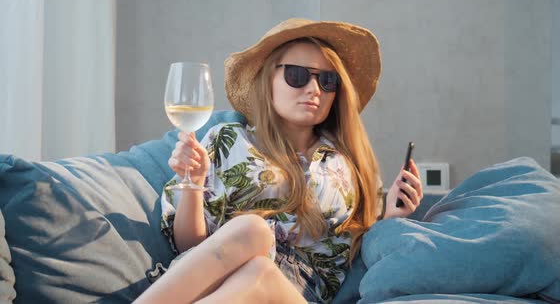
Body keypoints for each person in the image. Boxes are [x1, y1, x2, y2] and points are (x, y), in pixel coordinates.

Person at [134, 18, 423, 304]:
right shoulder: (228, 141)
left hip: (297, 293)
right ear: (267, 78)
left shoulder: (349, 163)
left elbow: (359, 260)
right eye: (297, 75)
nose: (314, 90)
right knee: (253, 233)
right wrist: (194, 183)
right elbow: (190, 246)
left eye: (327, 80)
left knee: (260, 271)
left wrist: (391, 218)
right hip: (213, 279)